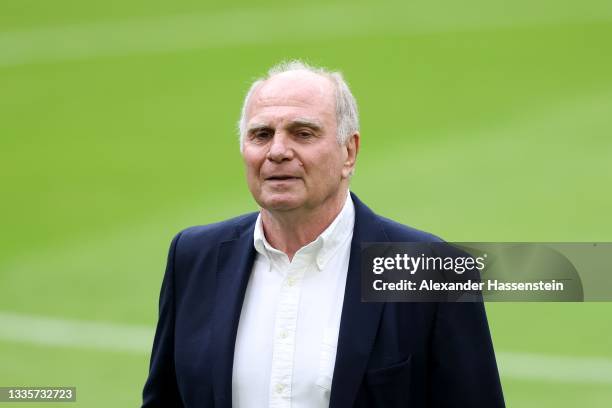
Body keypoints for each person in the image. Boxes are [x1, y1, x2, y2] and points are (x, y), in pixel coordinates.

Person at [142, 61, 505, 407]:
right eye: (261, 134)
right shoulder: (192, 258)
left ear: (349, 152)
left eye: (303, 133)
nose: (278, 151)